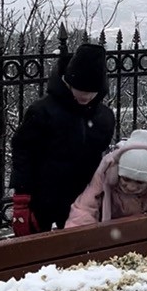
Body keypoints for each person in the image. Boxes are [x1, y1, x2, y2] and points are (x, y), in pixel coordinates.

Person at [9, 42, 116, 236]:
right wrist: (22, 197)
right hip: (42, 197)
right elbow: (22, 151)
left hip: (83, 199)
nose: (85, 96)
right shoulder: (42, 111)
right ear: (67, 83)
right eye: (79, 89)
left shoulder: (104, 117)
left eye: (91, 91)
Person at [65, 129, 147, 228]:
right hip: (111, 239)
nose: (131, 187)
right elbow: (84, 210)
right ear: (115, 172)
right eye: (125, 179)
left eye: (140, 182)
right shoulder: (105, 177)